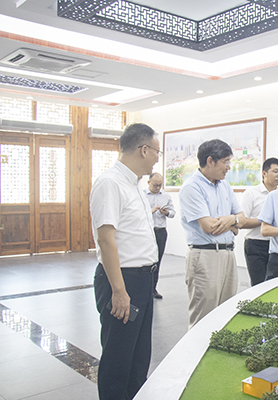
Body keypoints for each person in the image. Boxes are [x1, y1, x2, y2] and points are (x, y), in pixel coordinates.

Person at [90, 122, 161, 400]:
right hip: (122, 280)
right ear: (143, 150)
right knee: (118, 359)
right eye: (156, 152)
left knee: (139, 356)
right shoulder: (110, 183)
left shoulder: (135, 185)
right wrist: (119, 291)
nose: (157, 158)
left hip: (142, 280)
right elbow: (106, 239)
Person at [179, 139, 246, 329]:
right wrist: (233, 224)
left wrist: (231, 220)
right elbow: (209, 226)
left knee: (226, 313)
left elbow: (242, 218)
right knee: (204, 317)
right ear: (210, 161)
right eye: (225, 162)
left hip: (227, 254)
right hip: (205, 256)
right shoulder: (192, 187)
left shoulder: (225, 185)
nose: (228, 167)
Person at [240, 157, 278, 286]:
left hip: (277, 245)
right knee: (259, 284)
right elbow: (242, 222)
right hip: (256, 245)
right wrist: (264, 219)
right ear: (264, 173)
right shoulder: (251, 193)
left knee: (275, 284)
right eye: (275, 171)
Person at [144, 172, 175, 299]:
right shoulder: (142, 195)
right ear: (148, 183)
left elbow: (173, 213)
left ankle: (153, 288)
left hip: (161, 231)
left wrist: (166, 212)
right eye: (155, 185)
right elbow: (138, 214)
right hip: (147, 231)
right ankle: (145, 288)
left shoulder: (166, 196)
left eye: (160, 185)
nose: (157, 188)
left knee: (157, 260)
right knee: (146, 260)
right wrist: (150, 211)